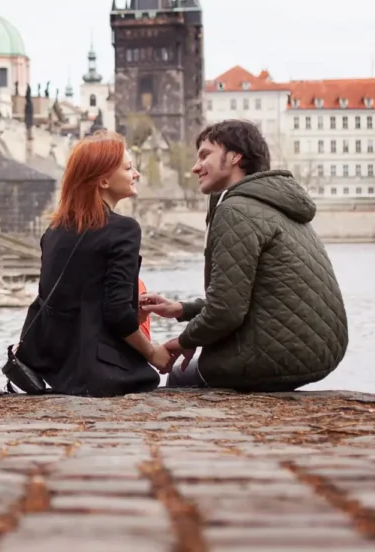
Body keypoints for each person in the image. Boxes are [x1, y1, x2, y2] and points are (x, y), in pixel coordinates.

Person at [142, 119, 348, 392]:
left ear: (235, 156)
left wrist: (181, 342)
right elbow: (252, 297)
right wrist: (182, 309)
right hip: (316, 350)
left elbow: (227, 311)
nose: (195, 167)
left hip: (279, 353)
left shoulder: (236, 210)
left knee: (180, 379)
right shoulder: (271, 204)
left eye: (205, 155)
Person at [13, 131, 169, 397]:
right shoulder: (124, 229)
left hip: (55, 371)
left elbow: (68, 304)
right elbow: (116, 314)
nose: (137, 174)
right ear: (104, 180)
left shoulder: (54, 231)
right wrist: (153, 353)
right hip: (102, 374)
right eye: (129, 167)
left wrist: (134, 312)